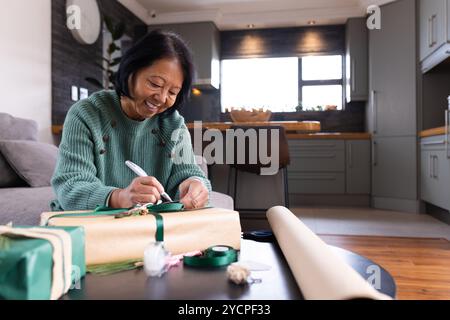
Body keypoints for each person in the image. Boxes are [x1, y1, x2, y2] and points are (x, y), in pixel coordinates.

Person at [50, 30, 211, 211]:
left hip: (147, 227)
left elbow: (189, 173)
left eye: (172, 92)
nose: (161, 97)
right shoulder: (87, 114)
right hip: (91, 224)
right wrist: (119, 197)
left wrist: (195, 185)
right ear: (131, 72)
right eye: (155, 84)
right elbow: (70, 186)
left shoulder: (173, 124)